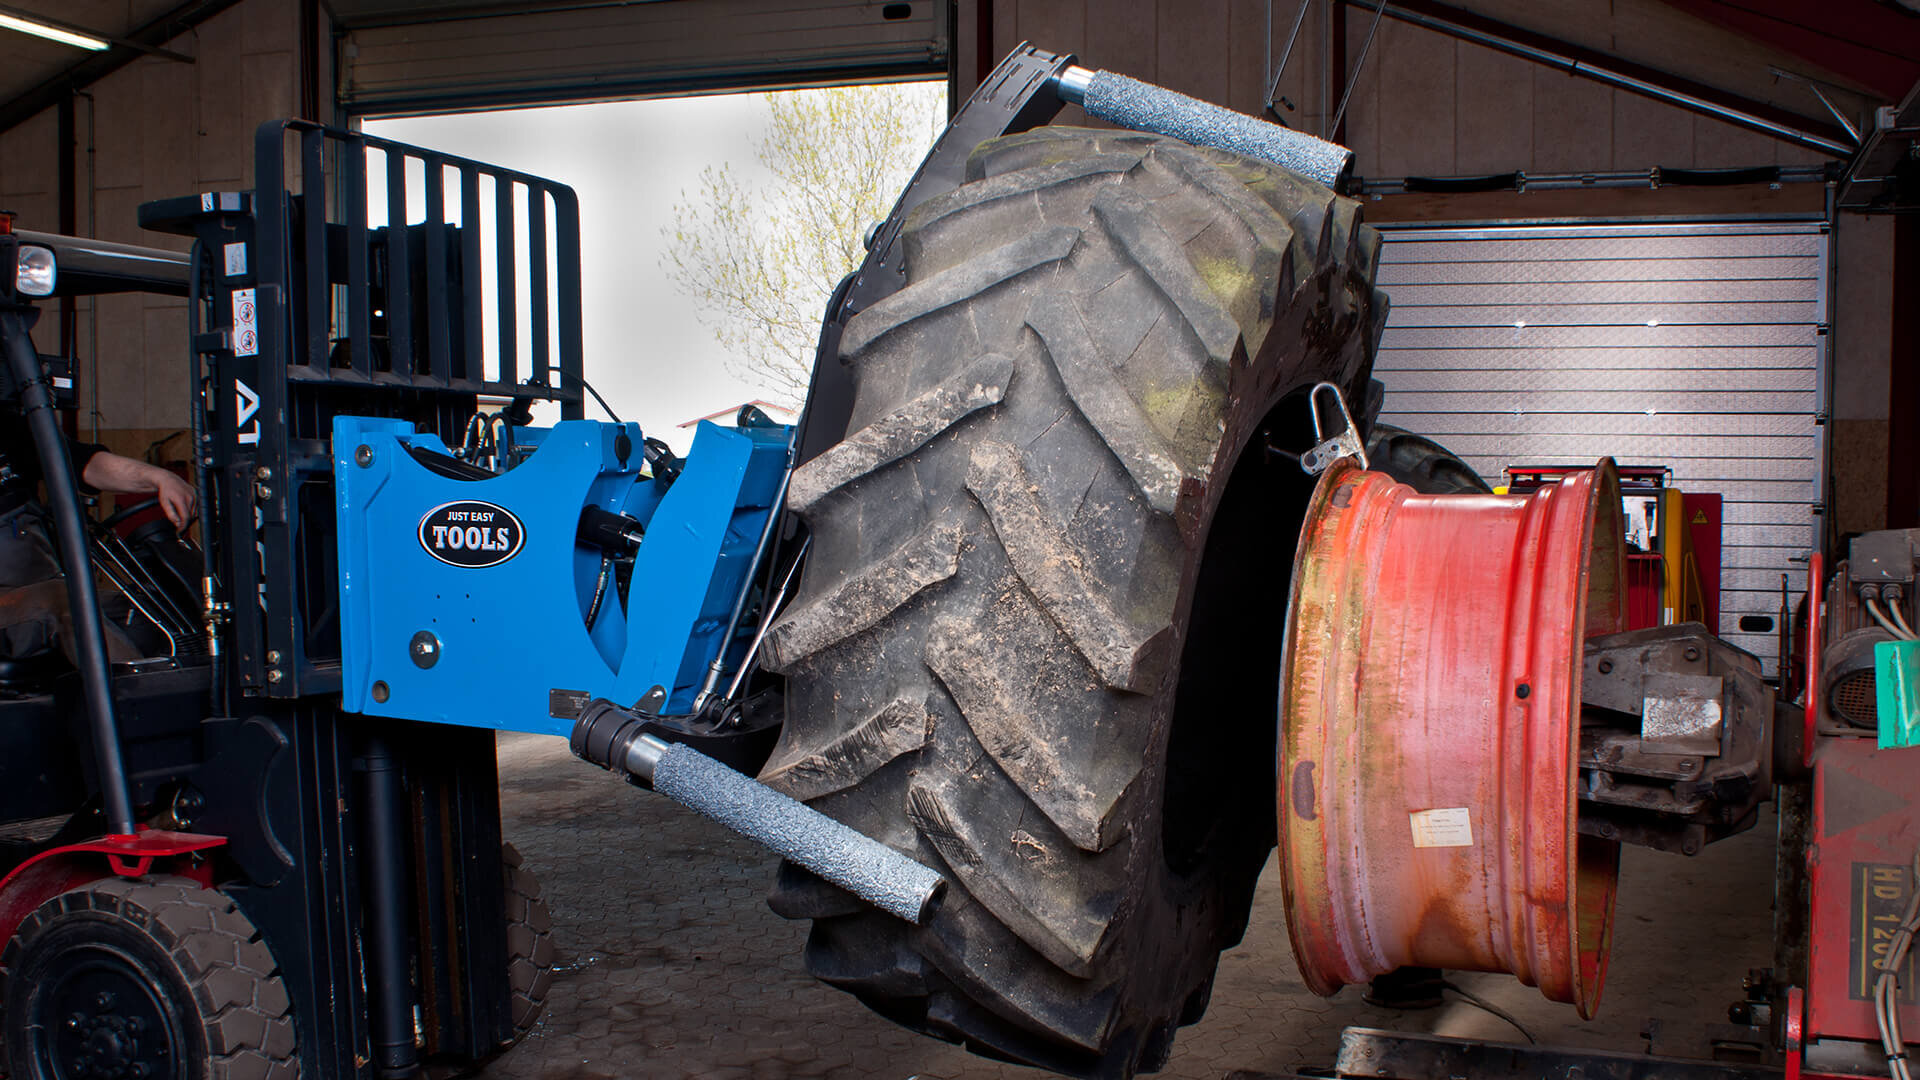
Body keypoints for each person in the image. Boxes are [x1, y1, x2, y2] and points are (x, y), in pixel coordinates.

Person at [1, 423, 196, 664]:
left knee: (146, 607)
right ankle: (134, 695)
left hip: (34, 588)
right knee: (65, 599)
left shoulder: (11, 432)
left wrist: (159, 478)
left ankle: (178, 683)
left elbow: (87, 464)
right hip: (17, 600)